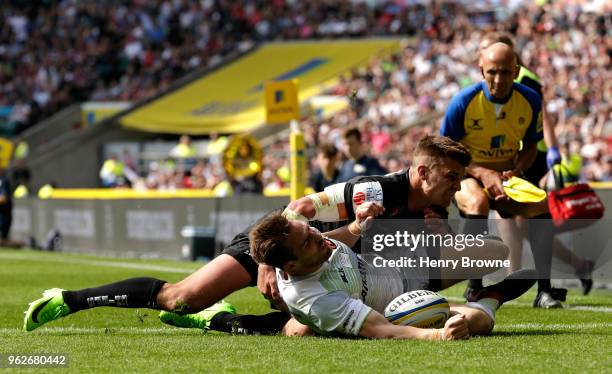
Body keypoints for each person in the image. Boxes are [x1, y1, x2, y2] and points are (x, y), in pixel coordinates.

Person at [23, 136, 505, 335]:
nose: (454, 187)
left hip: (320, 274)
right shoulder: (374, 190)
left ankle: (221, 323)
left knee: (303, 332)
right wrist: (272, 264)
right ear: (422, 172)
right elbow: (299, 209)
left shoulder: (423, 211)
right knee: (180, 297)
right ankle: (70, 298)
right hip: (280, 245)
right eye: (449, 178)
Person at [249, 211, 535, 339]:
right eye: (308, 241)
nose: (316, 235)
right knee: (477, 321)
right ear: (292, 267)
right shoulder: (318, 300)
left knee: (496, 250)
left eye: (310, 229)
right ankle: (490, 297)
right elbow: (381, 330)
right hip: (397, 307)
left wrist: (357, 226)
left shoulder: (309, 242)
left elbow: (331, 235)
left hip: (400, 266)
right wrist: (437, 335)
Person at [440, 42, 561, 308]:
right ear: (481, 69)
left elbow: (530, 146)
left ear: (516, 71)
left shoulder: (530, 99)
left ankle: (545, 291)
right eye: (492, 71)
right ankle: (474, 288)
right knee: (477, 202)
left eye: (506, 72)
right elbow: (445, 152)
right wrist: (481, 172)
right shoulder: (463, 101)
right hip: (468, 174)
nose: (498, 79)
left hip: (507, 176)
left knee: (541, 204)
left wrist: (517, 169)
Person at [480, 32, 594, 295]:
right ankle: (577, 265)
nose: (484, 54)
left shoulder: (525, 79)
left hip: (531, 156)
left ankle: (514, 278)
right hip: (511, 154)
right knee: (526, 224)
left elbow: (542, 114)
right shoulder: (490, 83)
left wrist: (553, 151)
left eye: (488, 49)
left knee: (518, 217)